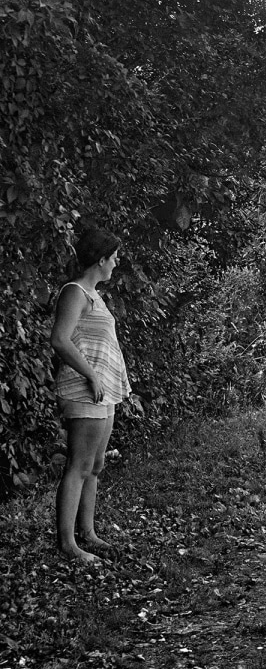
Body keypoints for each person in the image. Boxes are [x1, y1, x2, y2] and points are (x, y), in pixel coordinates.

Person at [51, 227, 133, 564]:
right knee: (80, 466)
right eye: (113, 257)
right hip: (84, 390)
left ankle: (88, 533)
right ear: (100, 259)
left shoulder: (94, 294)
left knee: (95, 466)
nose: (116, 263)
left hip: (103, 393)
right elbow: (60, 339)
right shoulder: (74, 292)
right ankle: (69, 543)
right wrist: (90, 375)